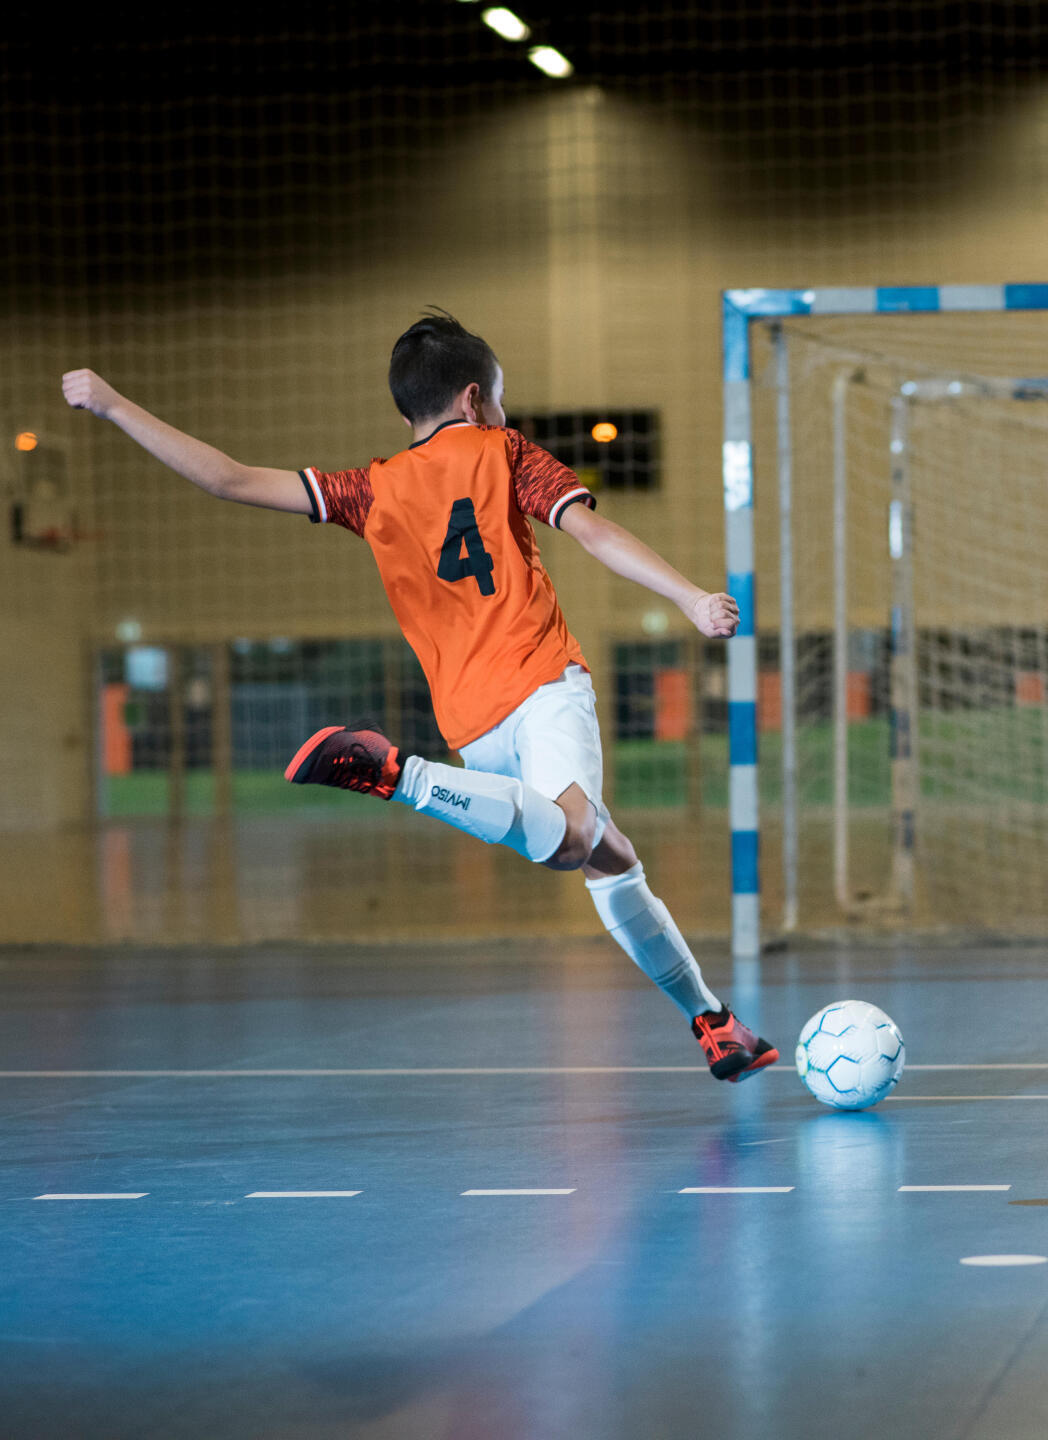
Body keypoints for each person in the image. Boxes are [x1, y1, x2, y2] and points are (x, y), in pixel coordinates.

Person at [62, 311, 779, 1082]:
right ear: (475, 400)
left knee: (609, 857)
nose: (503, 414)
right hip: (541, 686)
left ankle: (714, 1023)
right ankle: (397, 772)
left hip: (472, 724)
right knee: (574, 841)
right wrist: (690, 596)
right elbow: (592, 532)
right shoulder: (504, 450)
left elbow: (226, 478)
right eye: (500, 400)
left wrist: (111, 403)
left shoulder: (371, 489)